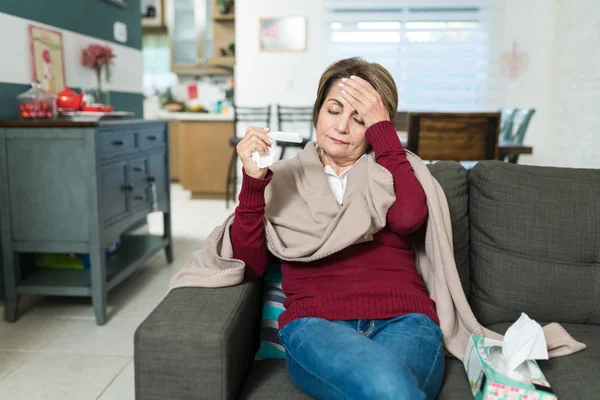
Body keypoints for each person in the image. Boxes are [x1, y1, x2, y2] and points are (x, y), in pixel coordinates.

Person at [230, 57, 444, 400]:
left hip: (405, 318)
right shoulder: (281, 177)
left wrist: (386, 137)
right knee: (390, 389)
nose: (342, 127)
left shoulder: (393, 169)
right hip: (317, 323)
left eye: (360, 119)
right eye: (334, 110)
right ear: (317, 112)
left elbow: (409, 218)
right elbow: (250, 264)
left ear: (377, 128)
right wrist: (253, 184)